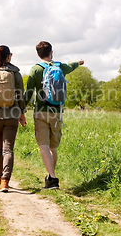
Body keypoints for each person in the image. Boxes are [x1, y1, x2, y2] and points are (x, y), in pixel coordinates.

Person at [24, 41, 84, 189]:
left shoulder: (35, 70)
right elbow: (71, 66)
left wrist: (21, 109)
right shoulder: (60, 67)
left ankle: (53, 178)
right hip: (57, 112)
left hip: (41, 112)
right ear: (51, 52)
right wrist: (78, 62)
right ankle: (51, 176)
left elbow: (29, 92)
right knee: (53, 147)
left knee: (43, 145)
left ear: (38, 54)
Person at [0, 45, 27, 192]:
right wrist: (22, 113)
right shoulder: (15, 73)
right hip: (12, 115)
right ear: (9, 56)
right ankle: (5, 182)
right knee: (8, 149)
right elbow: (20, 95)